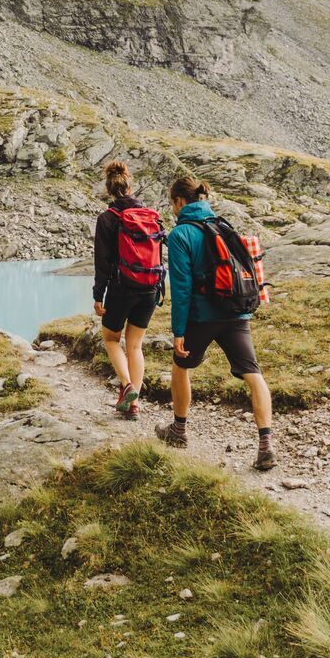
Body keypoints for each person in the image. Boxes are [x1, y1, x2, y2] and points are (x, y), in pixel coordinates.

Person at [159, 175, 277, 471]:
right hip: (237, 312)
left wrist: (179, 331)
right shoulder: (223, 226)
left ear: (179, 202)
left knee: (181, 366)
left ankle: (178, 431)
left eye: (172, 204)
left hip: (202, 316)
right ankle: (266, 445)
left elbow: (182, 289)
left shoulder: (181, 234)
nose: (172, 210)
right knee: (253, 373)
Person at [89, 159, 166, 420]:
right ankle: (134, 404)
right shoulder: (151, 216)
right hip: (150, 288)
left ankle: (127, 385)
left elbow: (102, 262)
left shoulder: (108, 218)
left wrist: (98, 295)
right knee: (135, 346)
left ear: (109, 188)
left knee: (111, 339)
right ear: (130, 185)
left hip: (122, 288)